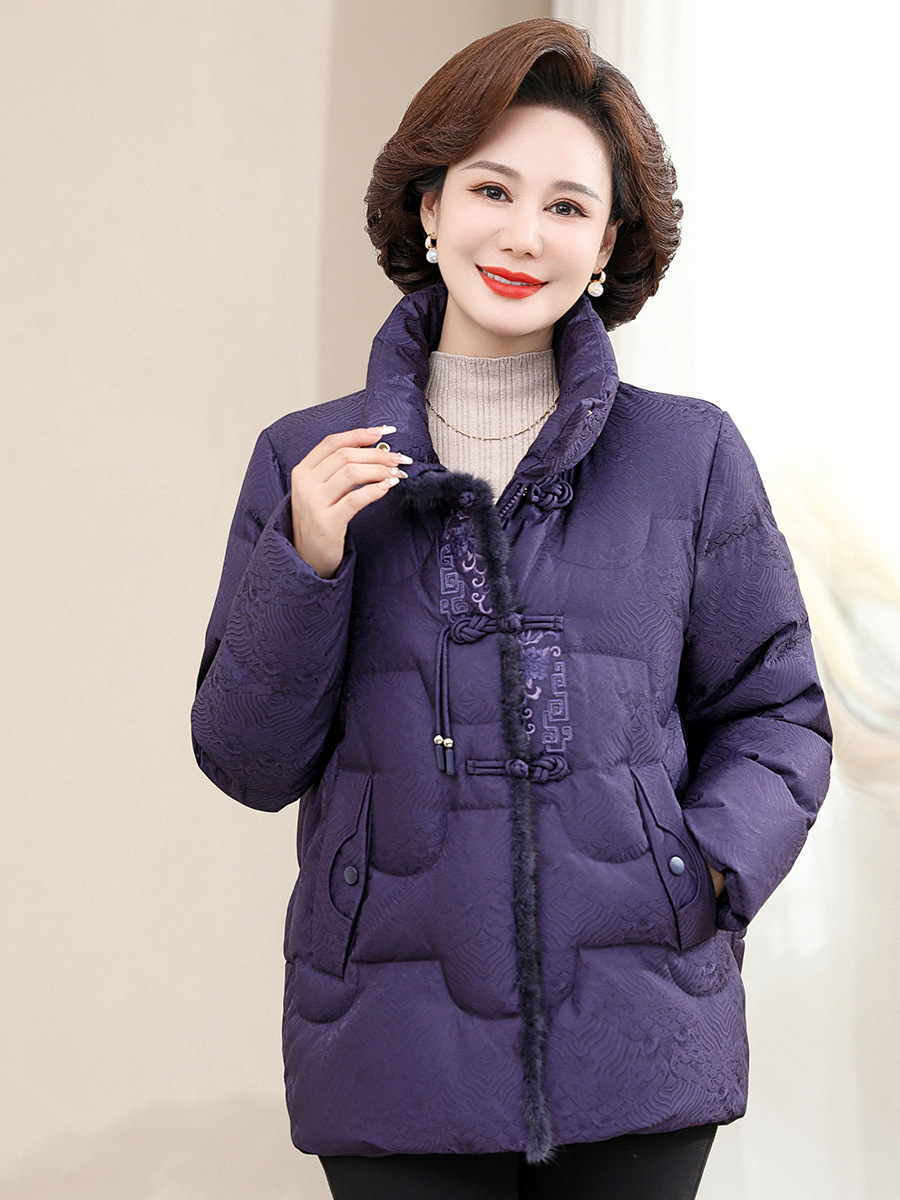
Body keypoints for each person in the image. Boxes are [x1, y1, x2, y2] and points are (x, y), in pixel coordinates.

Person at [191, 17, 832, 1200]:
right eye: (492, 189)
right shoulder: (306, 461)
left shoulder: (688, 456)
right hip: (386, 1048)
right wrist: (307, 558)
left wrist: (700, 871)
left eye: (568, 206)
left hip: (640, 1038)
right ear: (430, 206)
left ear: (607, 244)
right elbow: (246, 759)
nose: (524, 234)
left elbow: (778, 712)